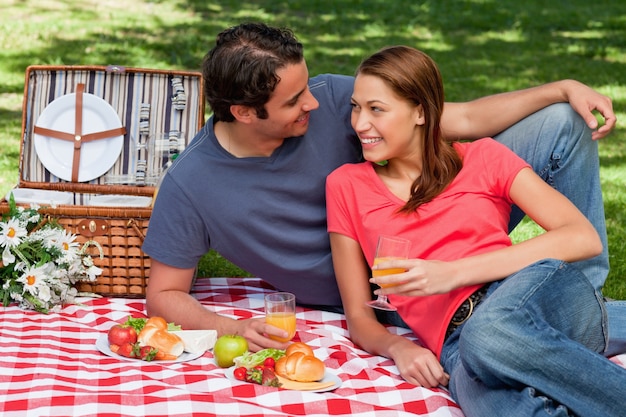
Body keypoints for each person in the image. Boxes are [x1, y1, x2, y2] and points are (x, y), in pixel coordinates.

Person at [142, 22, 617, 352]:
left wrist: (561, 88)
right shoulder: (191, 185)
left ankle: (583, 296)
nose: (314, 102)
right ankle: (587, 326)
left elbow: (462, 119)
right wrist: (235, 326)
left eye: (307, 86)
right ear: (245, 113)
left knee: (560, 122)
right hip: (384, 297)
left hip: (437, 225)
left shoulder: (333, 99)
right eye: (293, 101)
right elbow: (164, 295)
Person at [325, 45, 625, 417]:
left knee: (488, 336)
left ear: (420, 111)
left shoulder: (482, 157)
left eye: (376, 109)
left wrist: (450, 274)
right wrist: (399, 347)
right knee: (493, 404)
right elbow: (359, 316)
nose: (359, 123)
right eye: (356, 106)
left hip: (528, 294)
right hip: (454, 344)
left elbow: (581, 236)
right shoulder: (345, 186)